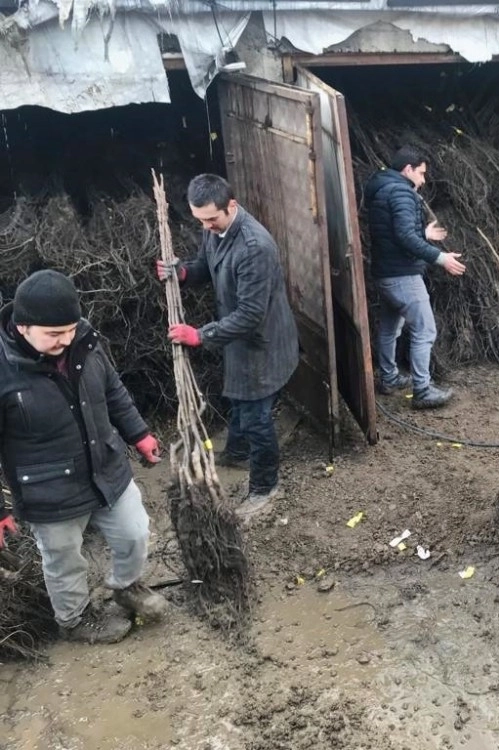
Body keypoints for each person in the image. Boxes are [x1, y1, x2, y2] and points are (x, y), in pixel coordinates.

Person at [0, 270, 168, 644]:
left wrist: (138, 433)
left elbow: (111, 389)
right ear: (22, 327)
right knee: (64, 559)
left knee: (135, 533)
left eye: (70, 329)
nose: (66, 340)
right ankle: (74, 620)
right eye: (54, 335)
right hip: (48, 491)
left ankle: (125, 586)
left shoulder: (85, 341)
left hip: (105, 467)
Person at [157, 174, 299, 518]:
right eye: (200, 220)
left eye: (211, 219)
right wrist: (184, 273)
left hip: (262, 344)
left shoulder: (255, 248)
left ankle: (266, 487)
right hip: (239, 340)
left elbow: (251, 314)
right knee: (238, 399)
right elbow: (206, 265)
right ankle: (237, 453)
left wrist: (200, 335)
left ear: (231, 206)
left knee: (255, 417)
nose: (205, 226)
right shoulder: (217, 231)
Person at [365, 146, 466, 409]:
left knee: (390, 328)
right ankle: (422, 390)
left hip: (386, 273)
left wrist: (424, 234)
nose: (423, 181)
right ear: (408, 169)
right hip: (402, 276)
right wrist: (440, 257)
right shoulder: (400, 191)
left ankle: (388, 378)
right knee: (425, 329)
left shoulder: (381, 189)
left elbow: (394, 232)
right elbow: (404, 237)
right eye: (421, 174)